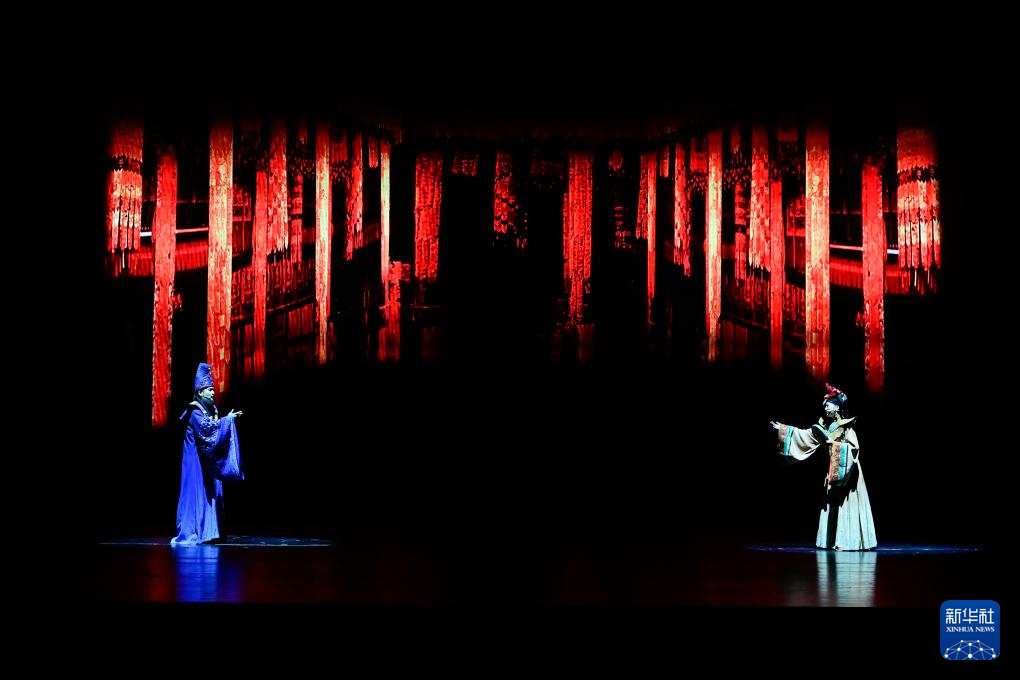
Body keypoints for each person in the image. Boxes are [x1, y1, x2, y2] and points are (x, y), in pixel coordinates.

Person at [770, 384, 877, 551]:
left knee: (846, 503)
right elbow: (807, 435)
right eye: (825, 404)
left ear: (838, 407)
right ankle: (832, 540)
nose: (825, 407)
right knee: (833, 502)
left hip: (848, 473)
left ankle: (848, 541)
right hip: (834, 469)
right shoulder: (827, 426)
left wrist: (834, 445)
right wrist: (784, 429)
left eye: (829, 404)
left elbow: (854, 448)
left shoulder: (847, 426)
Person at [170, 363, 243, 546]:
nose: (212, 393)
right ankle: (192, 532)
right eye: (209, 390)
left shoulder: (211, 409)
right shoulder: (195, 410)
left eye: (213, 389)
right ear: (200, 392)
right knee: (195, 493)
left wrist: (225, 420)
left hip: (207, 459)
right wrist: (227, 420)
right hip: (195, 461)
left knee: (211, 492)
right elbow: (206, 429)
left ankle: (210, 532)